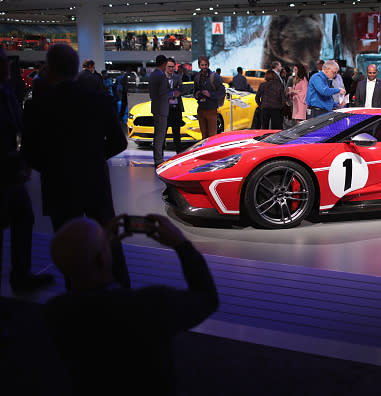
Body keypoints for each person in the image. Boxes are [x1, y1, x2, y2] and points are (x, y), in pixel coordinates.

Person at [44, 214, 219, 396]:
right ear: (103, 259)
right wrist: (182, 245)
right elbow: (207, 298)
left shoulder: (54, 312)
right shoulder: (151, 305)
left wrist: (102, 246)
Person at [21, 44, 130, 289]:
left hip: (58, 187)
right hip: (95, 182)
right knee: (109, 240)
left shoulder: (36, 106)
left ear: (48, 69)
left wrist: (52, 167)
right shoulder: (99, 100)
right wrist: (94, 158)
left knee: (71, 250)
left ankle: (77, 305)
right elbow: (119, 142)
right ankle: (123, 295)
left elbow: (29, 153)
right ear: (75, 69)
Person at [0, 48, 54, 291]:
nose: (8, 67)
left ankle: (21, 275)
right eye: (4, 63)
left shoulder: (8, 91)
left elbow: (15, 128)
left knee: (24, 219)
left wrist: (23, 160)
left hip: (12, 171)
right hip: (5, 170)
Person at [149, 54, 179, 167]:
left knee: (157, 135)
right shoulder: (161, 75)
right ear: (163, 63)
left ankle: (157, 158)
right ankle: (158, 159)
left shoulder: (152, 74)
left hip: (156, 108)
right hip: (162, 109)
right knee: (160, 136)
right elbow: (162, 93)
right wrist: (173, 93)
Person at [193, 56, 225, 138]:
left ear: (208, 65)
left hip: (211, 109)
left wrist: (210, 94)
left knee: (212, 135)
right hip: (201, 108)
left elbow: (222, 92)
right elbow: (195, 91)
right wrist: (197, 94)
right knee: (203, 135)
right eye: (202, 65)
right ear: (199, 65)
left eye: (205, 65)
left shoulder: (215, 77)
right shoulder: (197, 77)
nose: (204, 67)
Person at [165, 57, 184, 154]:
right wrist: (172, 93)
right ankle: (159, 158)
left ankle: (179, 155)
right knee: (162, 135)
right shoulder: (161, 78)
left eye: (172, 67)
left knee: (177, 134)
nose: (171, 69)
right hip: (165, 110)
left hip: (176, 109)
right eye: (169, 67)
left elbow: (181, 90)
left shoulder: (178, 77)